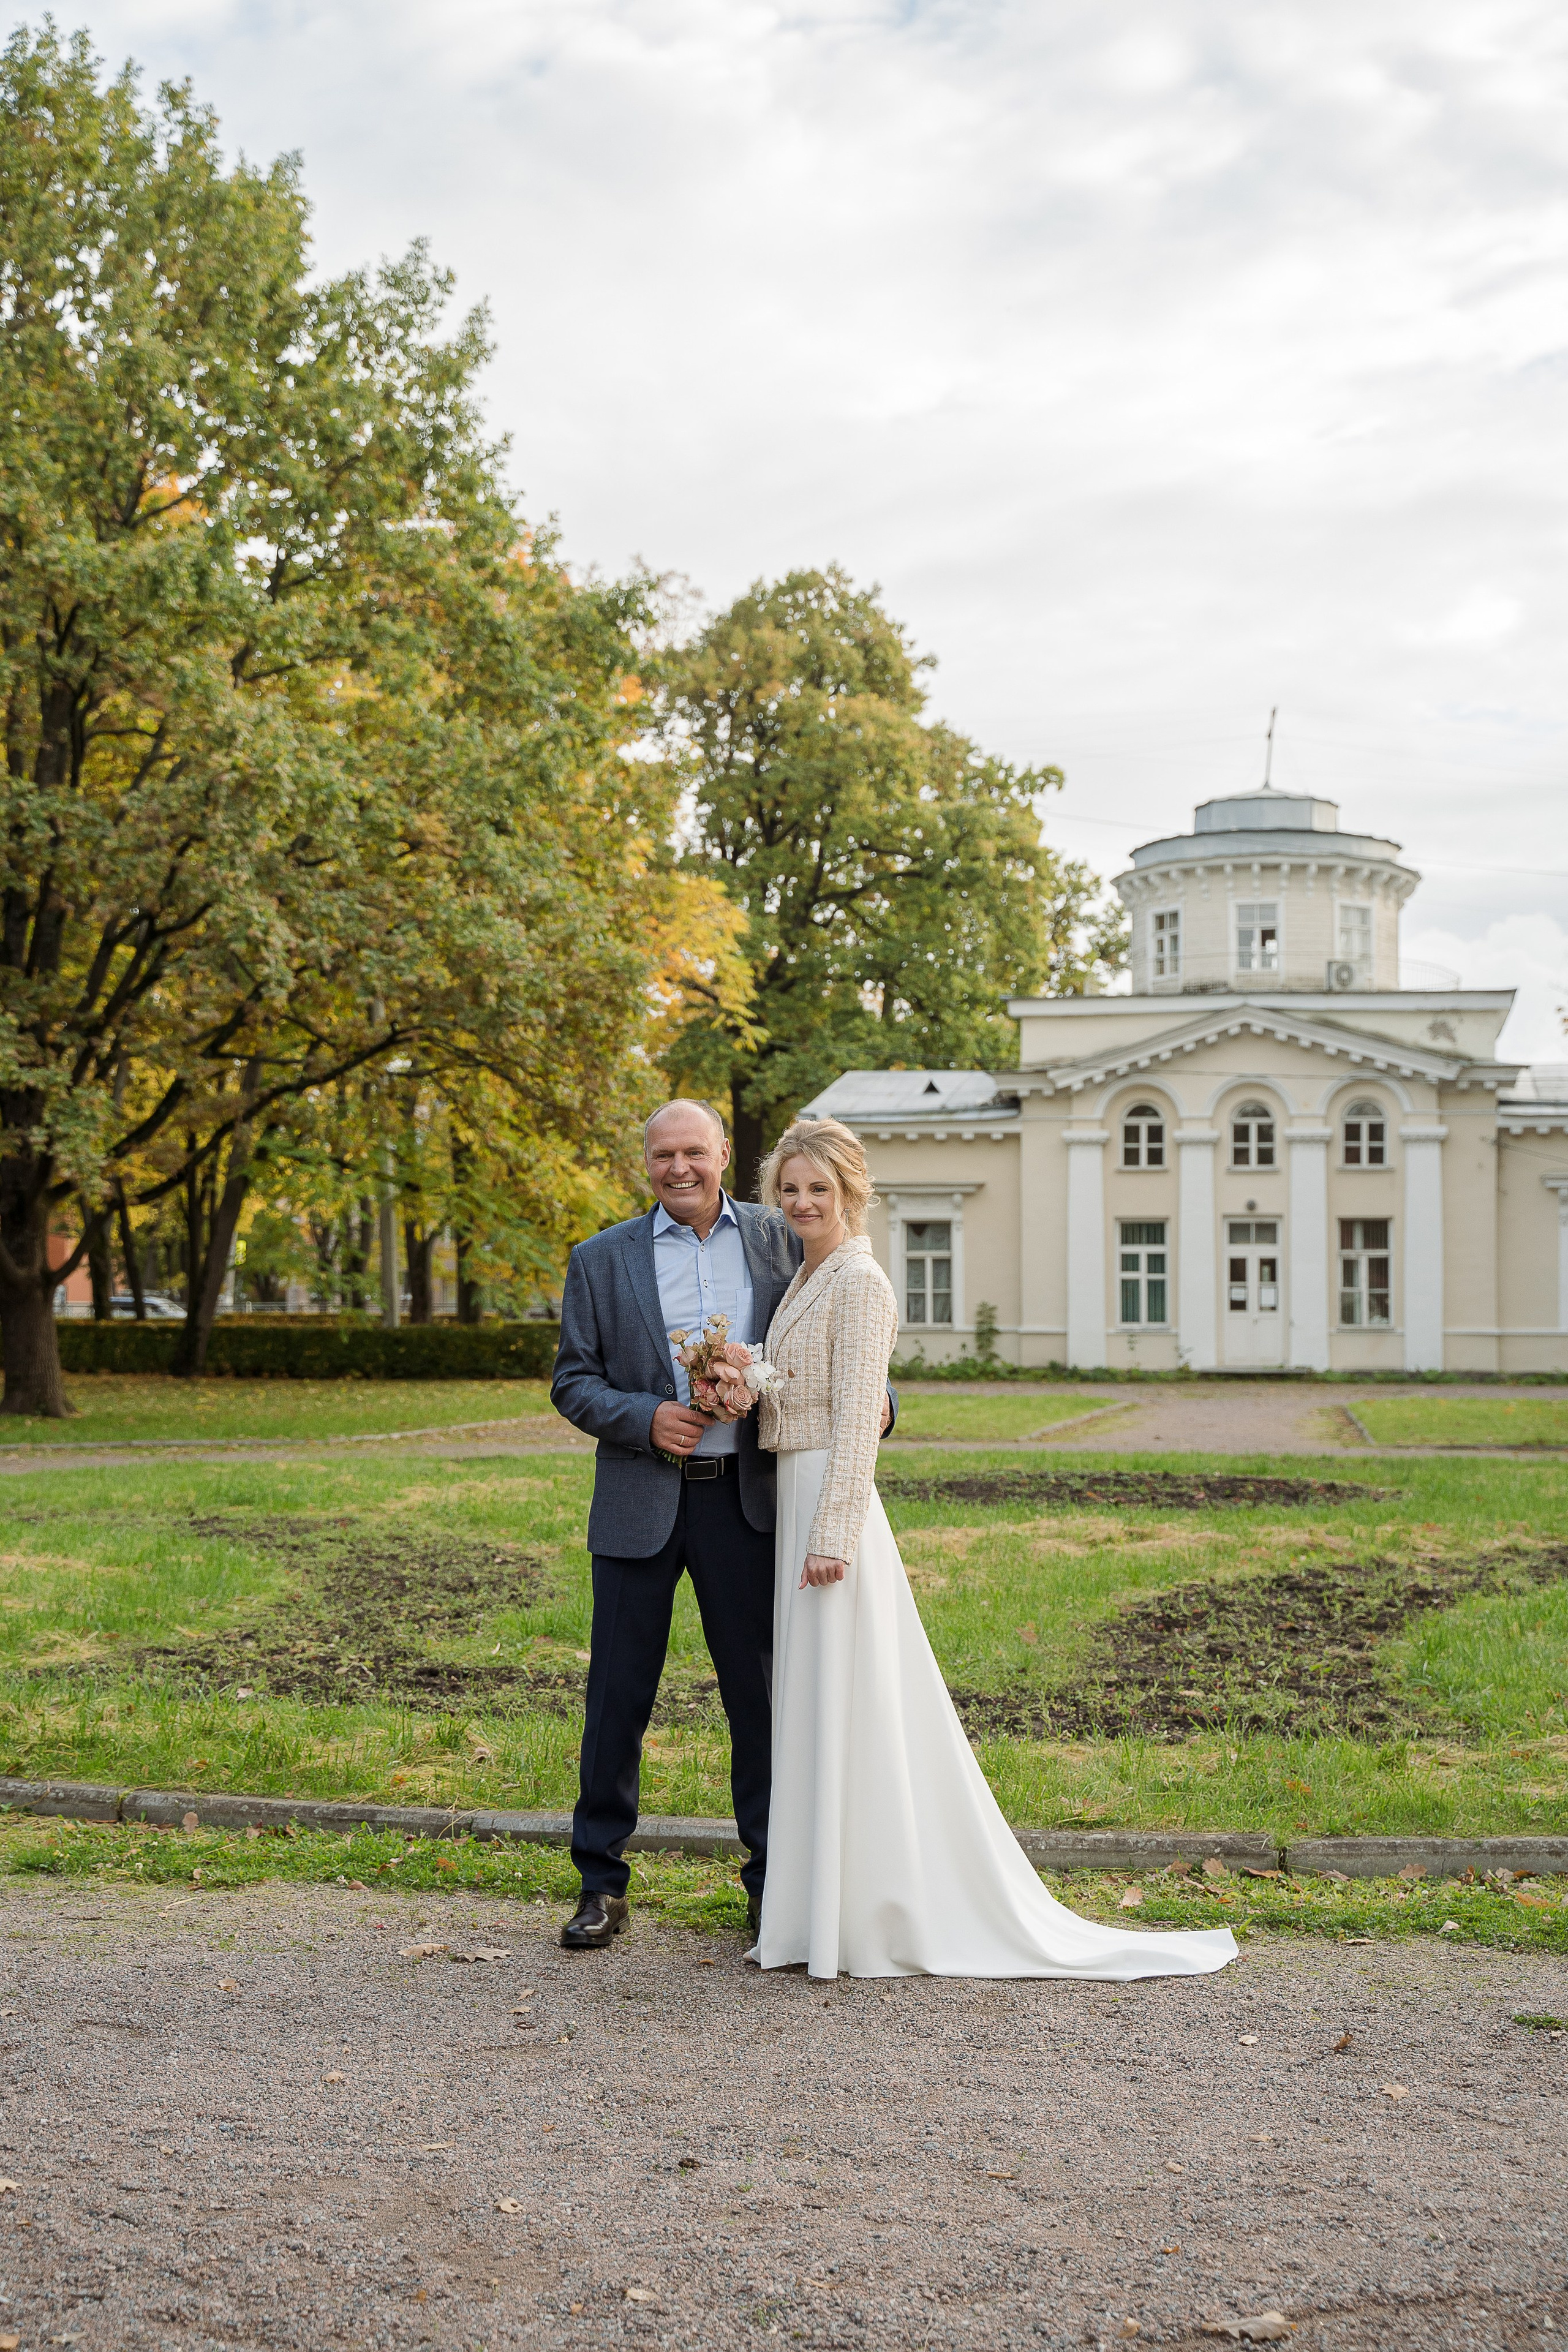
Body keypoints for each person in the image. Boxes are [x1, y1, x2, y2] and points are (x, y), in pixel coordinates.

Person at [736, 1114, 1238, 1984]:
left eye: (819, 1188)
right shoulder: (804, 1277)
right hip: (793, 1492)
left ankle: (872, 1911)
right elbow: (797, 1388)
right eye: (791, 1189)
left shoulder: (860, 1281)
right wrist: (742, 1378)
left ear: (852, 1192)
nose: (803, 1202)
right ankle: (820, 1907)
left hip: (830, 1509)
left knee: (851, 1701)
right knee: (816, 1707)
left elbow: (861, 1419)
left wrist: (833, 1535)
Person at [549, 1099, 894, 1951]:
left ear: (721, 1154)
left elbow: (842, 1329)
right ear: (647, 1164)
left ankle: (772, 1882)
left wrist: (878, 1406)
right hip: (639, 1503)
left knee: (762, 1699)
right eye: (663, 1155)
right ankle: (600, 1883)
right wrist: (642, 1417)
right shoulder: (599, 1261)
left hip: (752, 1504)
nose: (679, 1169)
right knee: (616, 1697)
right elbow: (572, 1381)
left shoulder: (784, 1237)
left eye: (693, 1153)